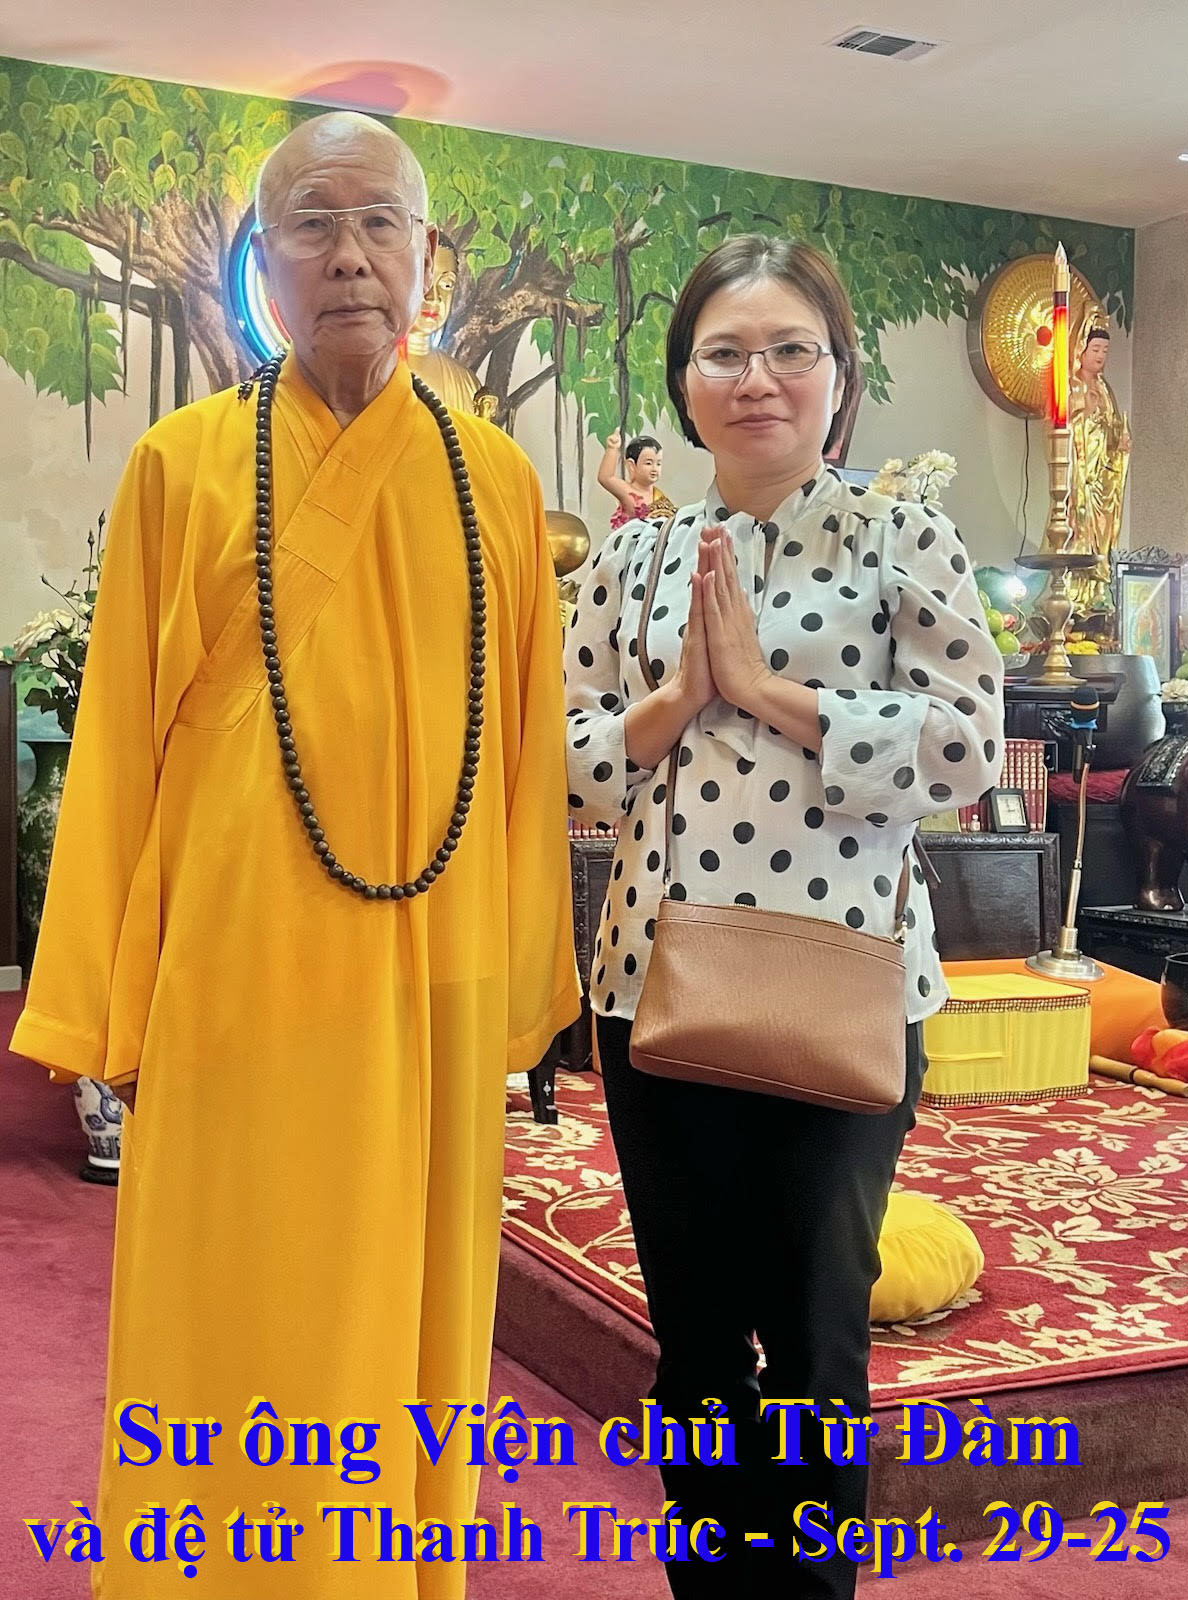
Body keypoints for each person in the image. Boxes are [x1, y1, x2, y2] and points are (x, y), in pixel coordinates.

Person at [10, 110, 579, 1600]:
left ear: (426, 257)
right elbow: (116, 752)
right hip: (236, 978)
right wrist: (106, 1006)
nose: (348, 256)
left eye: (379, 222)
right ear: (260, 266)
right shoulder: (182, 467)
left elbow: (526, 757)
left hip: (427, 977)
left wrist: (515, 982)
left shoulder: (496, 482)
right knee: (234, 1301)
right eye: (311, 225)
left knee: (401, 1318)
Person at [564, 234, 1004, 1598]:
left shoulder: (901, 536)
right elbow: (560, 763)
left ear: (839, 376)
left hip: (843, 988)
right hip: (655, 989)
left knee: (818, 1346)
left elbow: (966, 749)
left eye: (789, 350)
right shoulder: (631, 564)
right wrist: (671, 706)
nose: (758, 379)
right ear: (685, 385)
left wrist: (772, 695)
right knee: (696, 1347)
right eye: (726, 354)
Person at [1068, 309, 1130, 614]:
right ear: (1081, 349)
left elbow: (1114, 426)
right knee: (1080, 527)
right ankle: (1075, 597)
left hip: (1104, 471)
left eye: (1105, 351)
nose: (1100, 356)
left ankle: (1097, 595)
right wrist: (1082, 409)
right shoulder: (1073, 386)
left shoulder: (1106, 389)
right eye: (1095, 349)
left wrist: (1121, 441)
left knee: (1103, 533)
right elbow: (1064, 425)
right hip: (1082, 470)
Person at [405, 231, 499, 419]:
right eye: (422, 280)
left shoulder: (466, 384)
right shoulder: (364, 376)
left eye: (446, 285)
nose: (433, 297)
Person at [598, 429, 678, 529]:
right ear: (631, 465)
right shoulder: (628, 491)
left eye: (658, 464)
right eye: (648, 463)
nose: (654, 469)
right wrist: (612, 448)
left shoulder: (660, 497)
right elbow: (606, 478)